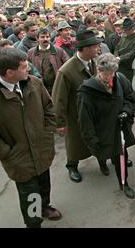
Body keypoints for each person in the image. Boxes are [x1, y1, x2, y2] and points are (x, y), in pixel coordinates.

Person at [0, 47, 61, 228]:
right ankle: (34, 223)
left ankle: (45, 206)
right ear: (9, 72)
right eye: (23, 66)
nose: (28, 69)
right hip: (19, 159)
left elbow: (49, 108)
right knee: (29, 193)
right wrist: (9, 153)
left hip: (41, 150)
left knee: (44, 183)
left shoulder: (34, 83)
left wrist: (47, 133)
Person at [77, 53, 135, 199]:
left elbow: (130, 98)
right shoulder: (87, 91)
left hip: (118, 129)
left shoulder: (120, 79)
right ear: (98, 70)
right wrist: (92, 141)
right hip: (100, 132)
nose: (109, 77)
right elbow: (85, 120)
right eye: (105, 74)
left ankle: (124, 183)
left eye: (112, 73)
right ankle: (102, 163)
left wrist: (125, 111)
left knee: (121, 157)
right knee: (102, 152)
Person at [52, 29, 102, 183]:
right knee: (75, 144)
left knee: (96, 139)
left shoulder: (94, 62)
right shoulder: (66, 71)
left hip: (94, 113)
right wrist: (59, 123)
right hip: (75, 116)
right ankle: (72, 166)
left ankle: (101, 161)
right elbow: (58, 99)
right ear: (85, 49)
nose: (98, 49)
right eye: (95, 47)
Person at [27, 28, 70, 94]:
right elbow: (28, 69)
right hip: (40, 88)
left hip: (56, 86)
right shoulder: (31, 53)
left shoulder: (58, 51)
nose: (45, 39)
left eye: (47, 37)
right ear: (37, 38)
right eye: (42, 37)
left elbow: (67, 65)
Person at [114, 18, 135, 83]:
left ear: (132, 29)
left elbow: (133, 53)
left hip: (130, 70)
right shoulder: (124, 36)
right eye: (123, 29)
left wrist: (120, 58)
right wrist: (116, 56)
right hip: (120, 67)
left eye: (126, 29)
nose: (124, 31)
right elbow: (117, 47)